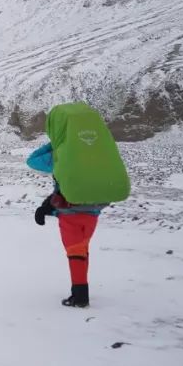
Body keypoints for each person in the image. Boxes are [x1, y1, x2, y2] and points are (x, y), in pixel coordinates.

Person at [27, 102, 130, 308]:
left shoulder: (59, 154)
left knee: (75, 252)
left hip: (70, 212)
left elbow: (33, 160)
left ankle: (80, 296)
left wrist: (57, 142)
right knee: (81, 249)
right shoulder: (98, 150)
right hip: (94, 210)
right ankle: (80, 290)